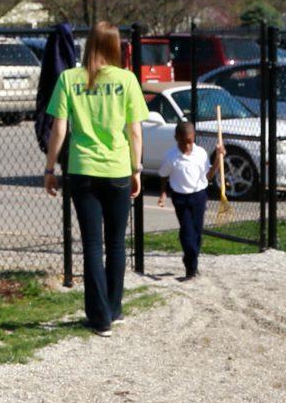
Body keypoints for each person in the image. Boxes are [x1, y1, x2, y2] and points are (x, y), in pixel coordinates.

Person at [42, 21, 148, 335]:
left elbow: (59, 129)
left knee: (92, 244)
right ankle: (113, 309)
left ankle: (100, 316)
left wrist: (50, 169)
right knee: (116, 244)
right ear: (115, 47)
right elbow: (135, 131)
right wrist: (136, 168)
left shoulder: (68, 79)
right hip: (117, 169)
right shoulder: (127, 80)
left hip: (82, 170)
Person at [156, 119, 221, 281]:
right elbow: (164, 176)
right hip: (180, 197)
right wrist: (163, 193)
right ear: (177, 138)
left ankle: (191, 262)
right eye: (184, 142)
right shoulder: (171, 156)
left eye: (190, 142)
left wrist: (219, 160)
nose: (187, 146)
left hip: (199, 195)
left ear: (194, 138)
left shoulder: (200, 153)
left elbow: (209, 176)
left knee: (197, 232)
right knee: (187, 231)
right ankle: (191, 266)